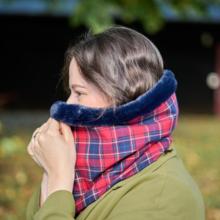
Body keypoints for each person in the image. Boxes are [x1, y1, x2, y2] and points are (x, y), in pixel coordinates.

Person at [26, 26, 205, 220]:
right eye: (70, 92)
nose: (65, 106)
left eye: (79, 93)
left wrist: (58, 183)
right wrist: (52, 171)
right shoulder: (82, 170)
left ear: (120, 97)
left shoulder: (165, 196)